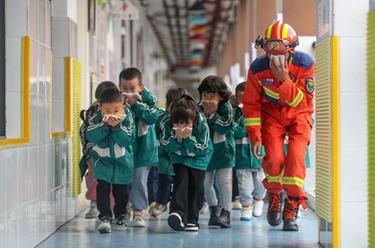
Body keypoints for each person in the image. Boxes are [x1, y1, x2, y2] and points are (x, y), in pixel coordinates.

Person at [243, 21, 314, 231]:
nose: (275, 57)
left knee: (295, 159)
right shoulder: (257, 68)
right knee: (273, 159)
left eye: (281, 51)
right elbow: (251, 104)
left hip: (299, 115)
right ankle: (274, 193)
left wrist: (284, 79)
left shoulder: (305, 64)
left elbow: (303, 102)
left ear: (291, 49)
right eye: (271, 51)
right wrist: (255, 136)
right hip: (272, 115)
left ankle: (292, 205)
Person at [85, 87, 135, 233]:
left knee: (121, 191)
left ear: (123, 107)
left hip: (122, 161)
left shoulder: (128, 117)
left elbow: (128, 139)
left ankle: (120, 216)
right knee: (102, 188)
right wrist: (105, 126)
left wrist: (117, 127)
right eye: (107, 111)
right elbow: (91, 136)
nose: (112, 114)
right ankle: (105, 217)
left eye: (116, 110)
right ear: (100, 108)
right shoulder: (96, 118)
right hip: (103, 161)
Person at [160, 94, 212, 232]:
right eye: (177, 123)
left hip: (199, 159)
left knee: (196, 187)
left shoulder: (202, 124)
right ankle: (177, 213)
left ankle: (192, 219)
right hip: (179, 158)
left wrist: (188, 140)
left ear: (193, 120)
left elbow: (203, 148)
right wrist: (177, 139)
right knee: (181, 182)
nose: (182, 127)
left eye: (186, 123)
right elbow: (165, 144)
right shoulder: (167, 124)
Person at [119, 67, 159, 227]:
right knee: (123, 180)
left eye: (132, 89)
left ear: (141, 87)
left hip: (145, 149)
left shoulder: (150, 99)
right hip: (125, 149)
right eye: (124, 89)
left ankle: (138, 211)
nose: (128, 92)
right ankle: (124, 208)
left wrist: (136, 105)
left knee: (139, 179)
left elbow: (152, 117)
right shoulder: (117, 99)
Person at [198, 75, 235, 228]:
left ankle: (226, 212)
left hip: (224, 152)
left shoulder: (227, 108)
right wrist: (205, 115)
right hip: (206, 152)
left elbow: (226, 126)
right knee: (206, 183)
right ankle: (214, 209)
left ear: (220, 97)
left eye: (212, 95)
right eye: (204, 95)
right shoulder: (198, 108)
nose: (207, 99)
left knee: (224, 182)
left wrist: (212, 115)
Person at [79, 81, 117, 219]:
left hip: (114, 154)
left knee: (113, 182)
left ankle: (112, 207)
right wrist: (89, 152)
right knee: (94, 178)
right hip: (94, 153)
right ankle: (95, 204)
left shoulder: (119, 112)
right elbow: (85, 132)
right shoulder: (92, 113)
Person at [149, 87, 188, 218]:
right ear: (167, 106)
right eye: (173, 107)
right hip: (164, 159)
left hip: (181, 159)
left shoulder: (187, 120)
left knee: (180, 184)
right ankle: (161, 203)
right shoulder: (161, 119)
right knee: (163, 182)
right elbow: (155, 135)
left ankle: (179, 208)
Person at [233, 82, 266, 221]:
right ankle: (246, 206)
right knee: (244, 185)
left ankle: (258, 200)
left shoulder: (263, 112)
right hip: (242, 156)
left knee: (261, 182)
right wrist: (248, 127)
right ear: (237, 98)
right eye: (241, 97)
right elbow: (233, 130)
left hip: (260, 156)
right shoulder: (235, 114)